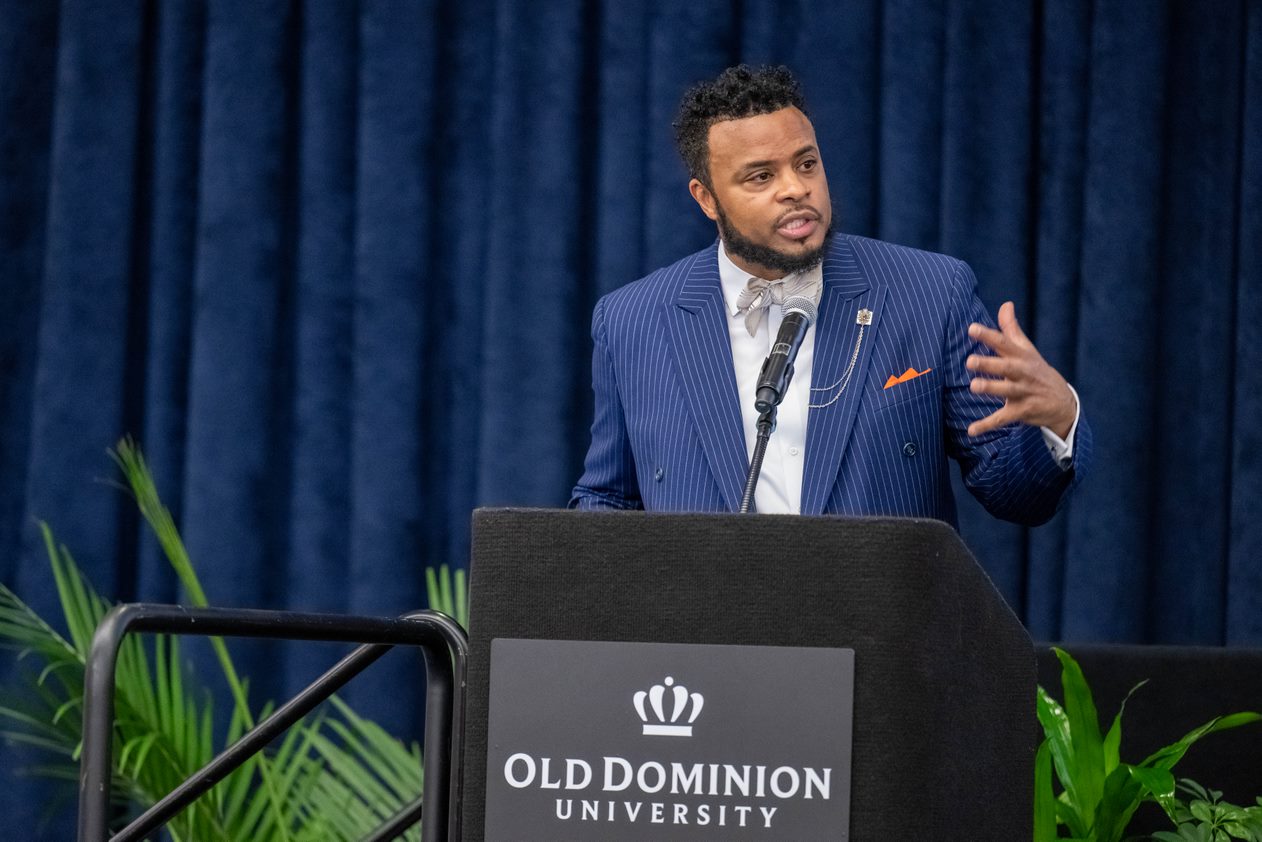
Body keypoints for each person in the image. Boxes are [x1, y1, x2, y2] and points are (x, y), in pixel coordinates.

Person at [569, 65, 1088, 525]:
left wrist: (1057, 420)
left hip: (879, 606)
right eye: (761, 176)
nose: (796, 188)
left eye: (806, 164)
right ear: (706, 199)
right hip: (709, 607)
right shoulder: (632, 321)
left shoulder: (930, 293)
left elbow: (1013, 493)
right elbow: (609, 499)